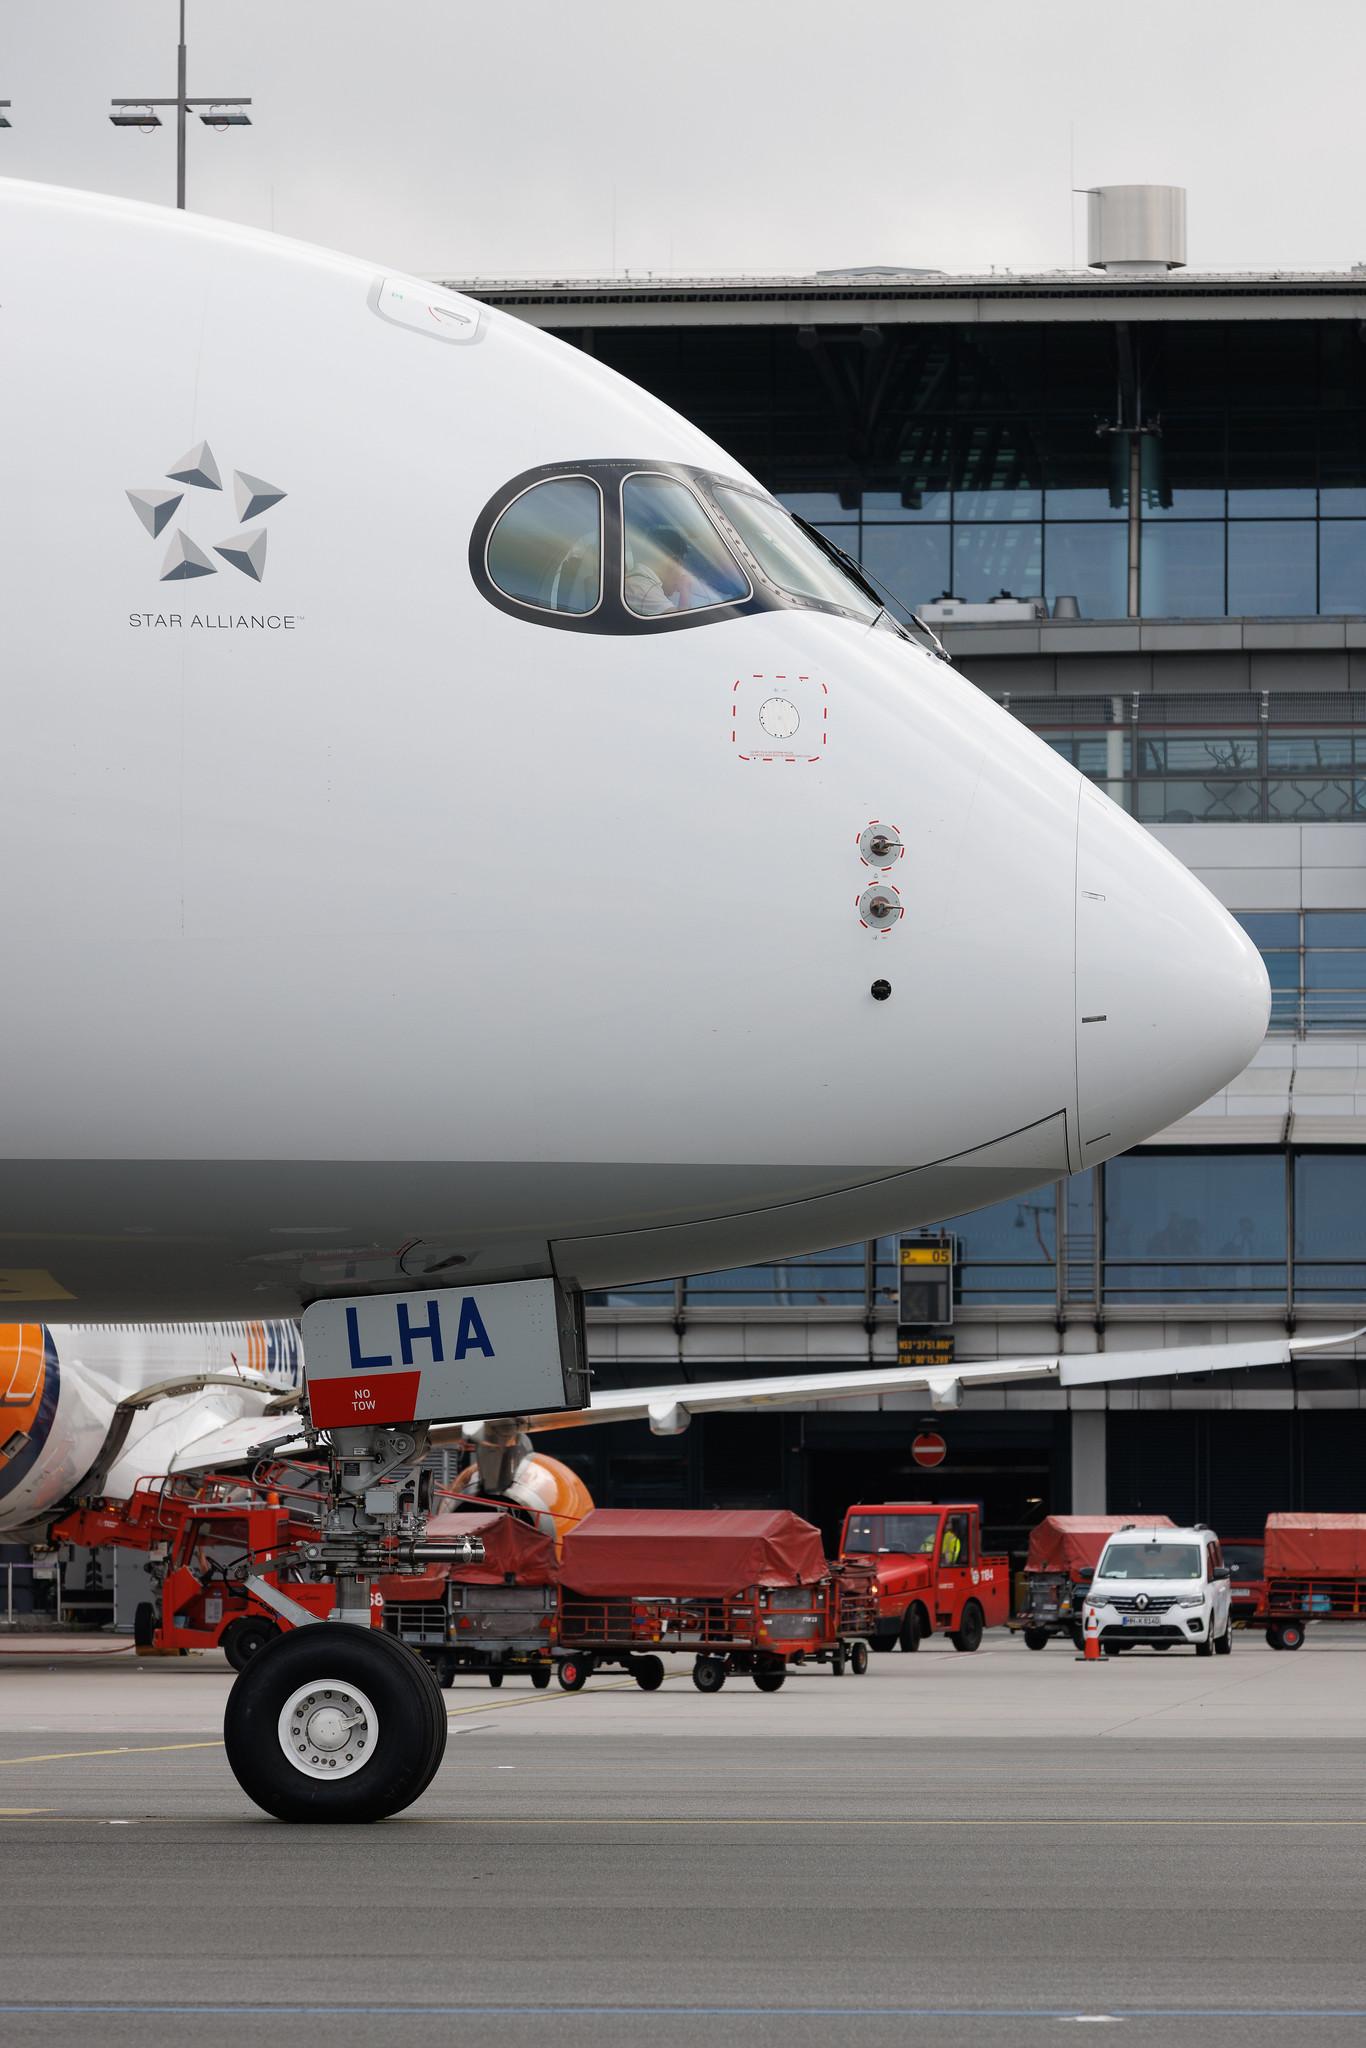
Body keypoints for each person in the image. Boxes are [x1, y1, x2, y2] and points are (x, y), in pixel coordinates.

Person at [624, 523, 693, 615]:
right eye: (681, 566)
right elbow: (683, 621)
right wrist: (685, 591)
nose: (682, 574)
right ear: (674, 561)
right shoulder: (645, 589)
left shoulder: (642, 582)